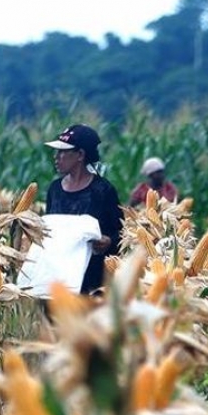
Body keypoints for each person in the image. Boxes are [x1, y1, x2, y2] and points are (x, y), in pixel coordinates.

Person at [43, 124, 122, 294]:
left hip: (92, 281)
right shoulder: (54, 189)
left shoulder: (103, 191)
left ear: (80, 155)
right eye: (57, 152)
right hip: (58, 280)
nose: (57, 157)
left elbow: (121, 233)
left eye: (63, 152)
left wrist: (108, 241)